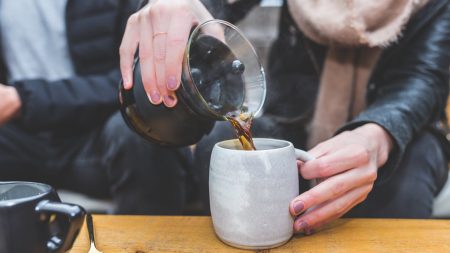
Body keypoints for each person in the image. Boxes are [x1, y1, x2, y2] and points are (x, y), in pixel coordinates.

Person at [121, 0, 450, 232]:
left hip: (402, 129)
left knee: (405, 177)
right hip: (295, 119)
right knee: (223, 144)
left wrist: (377, 135)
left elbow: (426, 76)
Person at [0, 0, 194, 215]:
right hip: (22, 139)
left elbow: (132, 80)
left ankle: (147, 245)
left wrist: (24, 99)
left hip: (97, 136)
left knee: (139, 132)